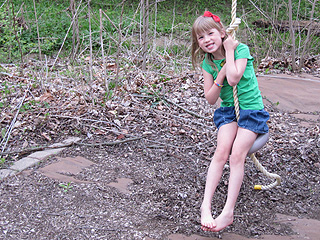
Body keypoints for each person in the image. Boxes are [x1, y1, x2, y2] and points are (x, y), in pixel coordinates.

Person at [191, 11, 269, 232]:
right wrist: (219, 74)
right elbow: (210, 98)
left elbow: (235, 77)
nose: (206, 40)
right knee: (221, 152)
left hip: (250, 111)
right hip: (228, 111)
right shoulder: (208, 63)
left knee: (237, 156)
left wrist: (230, 52)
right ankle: (205, 206)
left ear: (222, 33)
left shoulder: (240, 49)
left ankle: (228, 212)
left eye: (210, 33)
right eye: (200, 37)